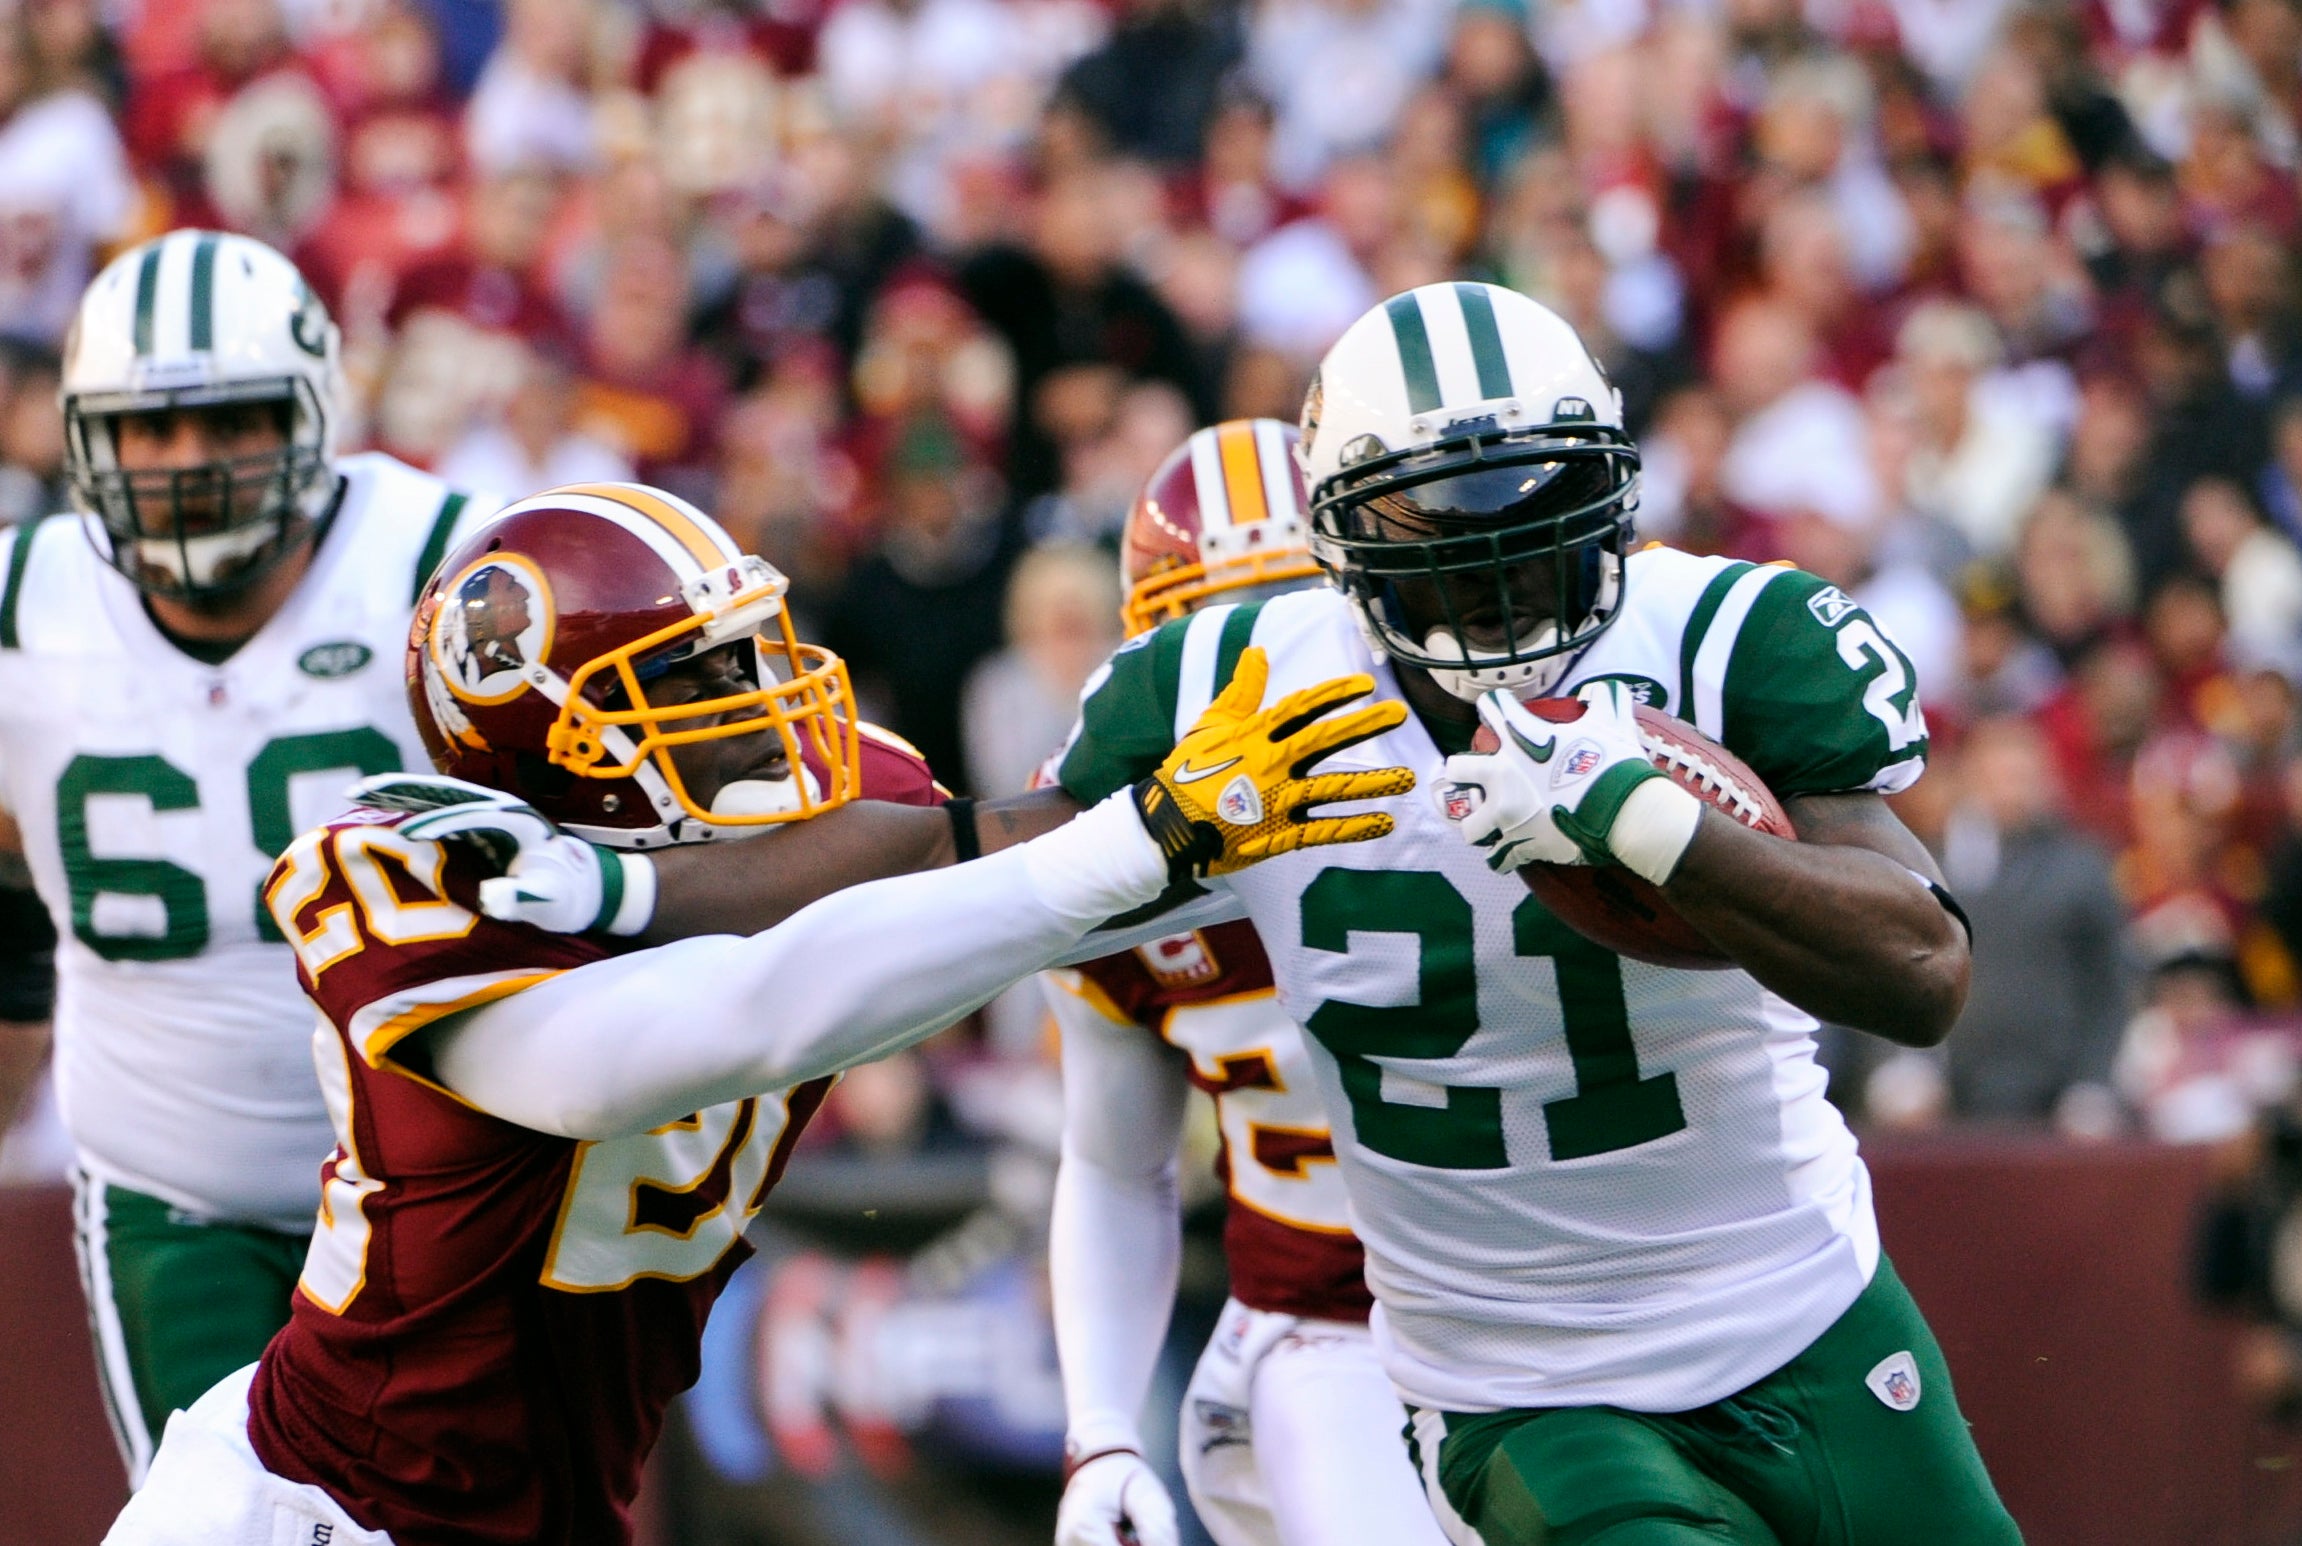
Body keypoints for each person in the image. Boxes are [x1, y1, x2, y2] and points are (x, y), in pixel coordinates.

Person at [408, 284, 2021, 1546]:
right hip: (1514, 1379)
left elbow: (1921, 970)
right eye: (1436, 531)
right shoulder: (1229, 681)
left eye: (1538, 507)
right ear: (1333, 537)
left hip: (1805, 1302)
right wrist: (627, 879)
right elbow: (955, 846)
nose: (1499, 568)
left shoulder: (1734, 630)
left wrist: (1654, 826)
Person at [104, 481, 1414, 1544]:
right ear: (545, 735)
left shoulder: (829, 802)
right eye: (695, 677)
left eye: (753, 650)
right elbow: (723, 1019)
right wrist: (1135, 846)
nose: (764, 703)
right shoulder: (422, 880)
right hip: (325, 1507)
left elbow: (1029, 882)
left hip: (552, 1507)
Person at [0, 229, 494, 1485]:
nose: (187, 464)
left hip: (441, 1184)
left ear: (313, 412)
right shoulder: (23, 606)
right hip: (174, 1197)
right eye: (148, 432)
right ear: (82, 440)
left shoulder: (447, 559)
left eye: (228, 421)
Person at [1042, 418, 1452, 1546]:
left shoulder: (1488, 775)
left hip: (1578, 1300)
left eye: (1296, 616)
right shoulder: (1107, 856)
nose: (1254, 678)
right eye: (1210, 634)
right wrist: (1101, 1425)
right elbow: (1111, 1161)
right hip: (1324, 1326)